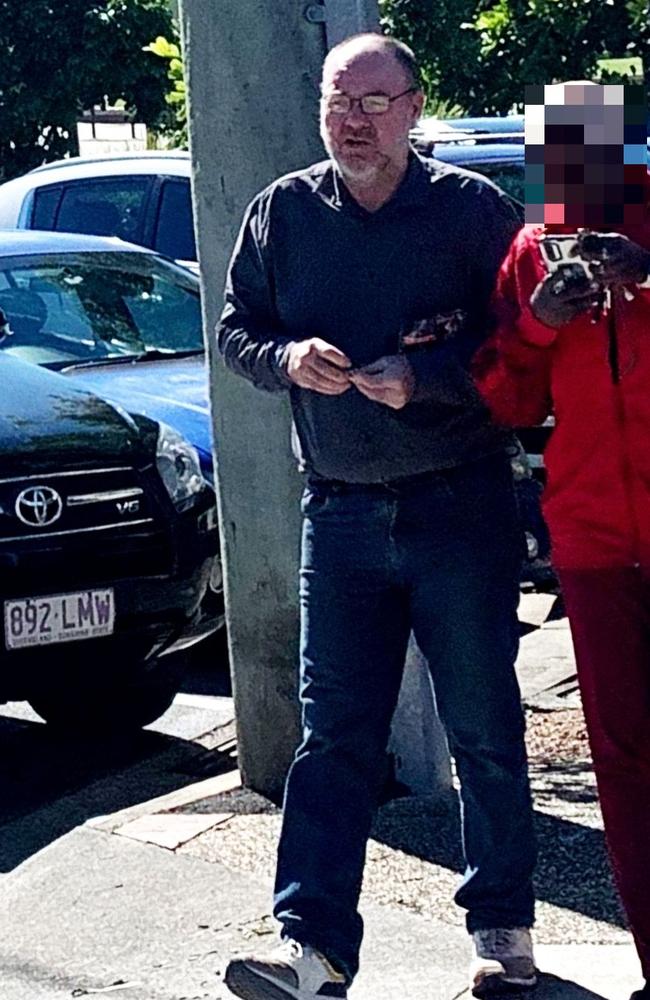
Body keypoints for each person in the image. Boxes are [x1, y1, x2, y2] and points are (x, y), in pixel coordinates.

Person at [219, 32, 537, 1000]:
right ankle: (312, 949)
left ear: (412, 106)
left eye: (370, 100)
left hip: (458, 504)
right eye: (335, 100)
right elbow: (237, 329)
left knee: (480, 723)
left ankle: (502, 929)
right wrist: (284, 360)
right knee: (332, 735)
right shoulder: (281, 212)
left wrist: (427, 380)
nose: (350, 120)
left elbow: (520, 357)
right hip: (341, 513)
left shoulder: (471, 213)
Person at [472, 81, 650, 1000]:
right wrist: (543, 316)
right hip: (590, 534)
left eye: (598, 162)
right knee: (621, 758)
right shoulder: (528, 252)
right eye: (560, 167)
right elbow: (503, 397)